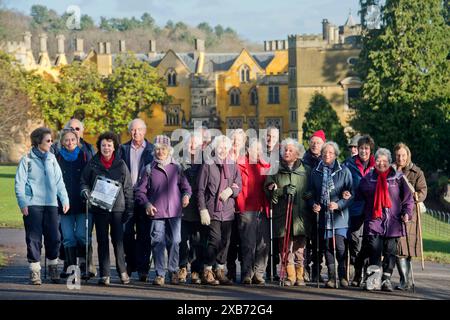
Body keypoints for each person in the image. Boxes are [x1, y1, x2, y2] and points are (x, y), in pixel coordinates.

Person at [15, 127, 70, 285]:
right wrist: (23, 203)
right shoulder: (26, 160)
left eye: (51, 140)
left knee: (54, 238)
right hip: (33, 205)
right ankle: (35, 271)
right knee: (34, 239)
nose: (51, 142)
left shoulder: (52, 158)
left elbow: (59, 181)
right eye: (48, 140)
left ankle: (53, 267)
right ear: (38, 141)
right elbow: (19, 184)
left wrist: (64, 199)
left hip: (51, 205)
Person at [135, 135, 192, 286]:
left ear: (169, 150)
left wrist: (186, 196)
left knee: (176, 241)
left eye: (163, 149)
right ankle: (160, 274)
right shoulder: (148, 168)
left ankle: (173, 271)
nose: (160, 152)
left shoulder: (177, 167)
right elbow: (140, 192)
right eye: (157, 149)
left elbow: (186, 187)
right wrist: (147, 204)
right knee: (158, 242)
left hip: (175, 211)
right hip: (157, 212)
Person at [356, 148, 414, 291]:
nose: (381, 163)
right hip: (374, 221)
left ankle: (386, 279)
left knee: (390, 252)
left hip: (393, 222)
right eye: (378, 160)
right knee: (374, 251)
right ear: (374, 162)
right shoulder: (368, 178)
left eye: (384, 161)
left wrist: (407, 213)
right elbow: (358, 197)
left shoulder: (398, 178)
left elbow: (408, 199)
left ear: (389, 162)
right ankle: (373, 279)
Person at [80, 131, 133, 286]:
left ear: (114, 147)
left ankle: (122, 271)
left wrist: (129, 208)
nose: (106, 148)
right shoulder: (93, 163)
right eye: (103, 145)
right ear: (99, 146)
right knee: (102, 241)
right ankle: (105, 274)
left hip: (117, 209)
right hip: (99, 208)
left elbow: (128, 188)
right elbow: (84, 181)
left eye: (109, 145)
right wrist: (84, 190)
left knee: (118, 241)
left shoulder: (121, 164)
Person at [265, 138, 310, 287]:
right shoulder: (275, 169)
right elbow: (267, 188)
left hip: (300, 215)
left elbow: (314, 189)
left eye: (290, 150)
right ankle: (290, 275)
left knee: (299, 247)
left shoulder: (306, 170)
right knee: (284, 247)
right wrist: (280, 190)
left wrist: (310, 195)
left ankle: (300, 275)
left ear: (297, 153)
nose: (287, 152)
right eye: (285, 150)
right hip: (282, 213)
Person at [197, 135, 242, 285]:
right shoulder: (208, 165)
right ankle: (207, 270)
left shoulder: (232, 164)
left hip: (228, 211)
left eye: (225, 147)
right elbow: (201, 190)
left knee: (226, 241)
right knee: (214, 240)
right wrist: (202, 209)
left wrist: (231, 191)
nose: (222, 150)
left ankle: (220, 270)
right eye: (220, 147)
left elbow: (238, 184)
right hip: (212, 210)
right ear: (215, 148)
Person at [309, 142, 353, 288]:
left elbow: (350, 194)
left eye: (330, 153)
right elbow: (310, 193)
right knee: (327, 246)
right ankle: (332, 277)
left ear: (335, 155)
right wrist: (313, 204)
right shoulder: (316, 171)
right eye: (325, 153)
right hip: (323, 217)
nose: (327, 155)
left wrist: (339, 204)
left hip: (339, 217)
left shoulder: (344, 171)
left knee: (340, 246)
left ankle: (343, 276)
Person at [119, 118, 154, 281]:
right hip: (127, 196)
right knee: (126, 233)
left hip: (145, 197)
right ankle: (131, 262)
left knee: (144, 234)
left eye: (139, 129)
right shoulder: (123, 149)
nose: (136, 133)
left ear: (145, 131)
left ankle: (143, 268)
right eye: (133, 130)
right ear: (129, 131)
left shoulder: (153, 150)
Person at [55, 129, 92, 279]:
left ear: (77, 141)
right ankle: (71, 269)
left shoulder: (84, 155)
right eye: (66, 140)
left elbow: (90, 177)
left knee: (82, 235)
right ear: (62, 142)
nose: (70, 142)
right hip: (64, 204)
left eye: (72, 139)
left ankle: (84, 266)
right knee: (68, 237)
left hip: (82, 202)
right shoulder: (57, 158)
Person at [393, 143, 427, 291]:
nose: (401, 158)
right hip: (394, 214)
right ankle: (404, 280)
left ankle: (404, 281)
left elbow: (423, 191)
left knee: (406, 249)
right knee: (398, 248)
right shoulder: (391, 170)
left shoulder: (416, 172)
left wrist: (414, 196)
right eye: (398, 155)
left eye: (403, 155)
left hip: (411, 215)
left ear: (408, 156)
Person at [236, 140, 271, 285]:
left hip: (262, 208)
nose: (257, 151)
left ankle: (259, 273)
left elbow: (270, 183)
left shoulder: (266, 165)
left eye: (259, 149)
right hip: (246, 209)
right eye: (253, 148)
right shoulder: (240, 164)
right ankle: (247, 273)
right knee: (248, 243)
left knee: (263, 244)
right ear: (248, 149)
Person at [343, 135, 376, 286]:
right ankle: (357, 274)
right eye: (361, 148)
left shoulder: (377, 164)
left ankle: (367, 275)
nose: (363, 151)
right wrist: (344, 191)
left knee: (369, 243)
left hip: (371, 210)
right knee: (355, 242)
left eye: (366, 148)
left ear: (371, 150)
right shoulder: (348, 164)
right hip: (355, 208)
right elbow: (341, 181)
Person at [178, 133, 206, 284]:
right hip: (182, 207)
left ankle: (196, 270)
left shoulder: (205, 163)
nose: (192, 147)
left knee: (197, 241)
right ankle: (182, 267)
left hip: (199, 207)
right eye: (190, 144)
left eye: (195, 144)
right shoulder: (179, 162)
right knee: (181, 240)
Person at [302, 129, 326, 283]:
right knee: (305, 240)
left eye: (318, 143)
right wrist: (309, 198)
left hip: (322, 207)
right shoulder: (303, 160)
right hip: (305, 205)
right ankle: (305, 268)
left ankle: (317, 269)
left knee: (319, 241)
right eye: (312, 142)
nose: (315, 145)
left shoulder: (326, 161)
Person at [226, 129, 246, 283]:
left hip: (243, 206)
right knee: (229, 241)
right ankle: (231, 271)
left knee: (244, 241)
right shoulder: (224, 158)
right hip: (227, 206)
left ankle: (246, 272)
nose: (235, 143)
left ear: (243, 142)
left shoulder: (247, 160)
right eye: (233, 139)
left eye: (238, 140)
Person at [264, 126, 281, 281]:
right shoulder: (260, 152)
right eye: (268, 136)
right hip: (262, 199)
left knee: (275, 237)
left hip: (278, 200)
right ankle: (264, 267)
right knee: (264, 237)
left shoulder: (282, 154)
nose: (270, 139)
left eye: (273, 136)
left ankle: (273, 268)